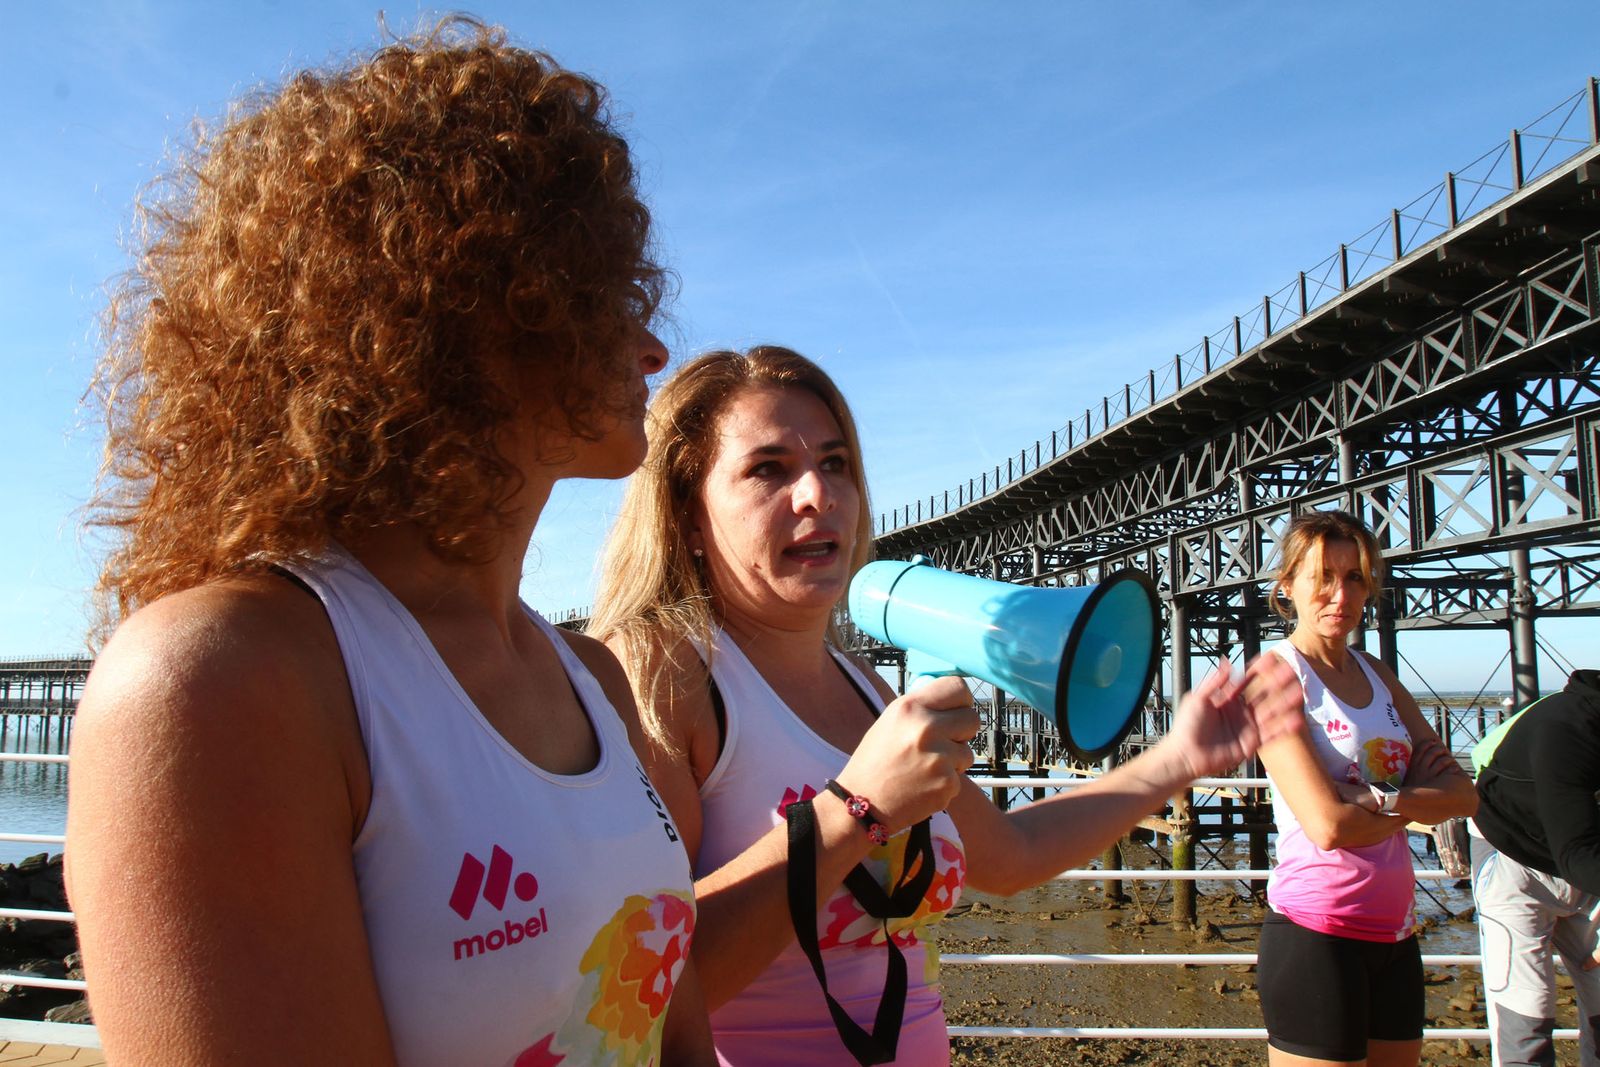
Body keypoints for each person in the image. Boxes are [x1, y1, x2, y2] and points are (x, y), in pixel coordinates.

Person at [65, 19, 713, 1065]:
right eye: (601, 289)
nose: (649, 342)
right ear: (473, 301)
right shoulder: (224, 682)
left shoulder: (586, 673)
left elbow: (669, 1028)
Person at [589, 345, 1306, 1065]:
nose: (818, 493)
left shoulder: (866, 687)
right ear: (686, 512)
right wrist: (855, 809)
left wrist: (1180, 758)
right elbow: (649, 985)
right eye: (768, 468)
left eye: (836, 463)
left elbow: (1009, 854)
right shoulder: (662, 673)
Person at [1255, 510, 1479, 1067]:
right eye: (1322, 577)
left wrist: (1377, 801)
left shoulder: (1377, 672)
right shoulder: (1275, 675)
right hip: (1317, 931)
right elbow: (1328, 826)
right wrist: (1416, 803)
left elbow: (1463, 795)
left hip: (1398, 933)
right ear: (1286, 587)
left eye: (1354, 577)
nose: (1340, 594)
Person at [1471, 668, 1600, 1067]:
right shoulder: (1567, 728)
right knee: (1527, 1015)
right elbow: (1576, 852)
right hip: (1513, 859)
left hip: (1588, 863)